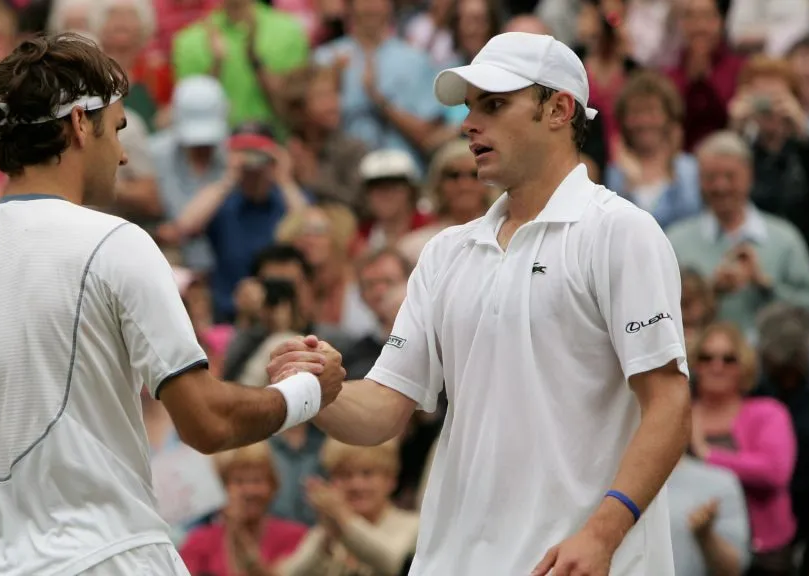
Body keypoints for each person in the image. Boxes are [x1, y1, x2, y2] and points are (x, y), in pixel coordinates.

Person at [0, 34, 345, 576]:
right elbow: (205, 422)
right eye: (120, 128)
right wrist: (305, 391)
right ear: (81, 125)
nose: (125, 154)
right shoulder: (117, 242)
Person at [268, 31, 692, 575]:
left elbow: (670, 407)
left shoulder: (621, 232)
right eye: (470, 108)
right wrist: (319, 391)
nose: (470, 123)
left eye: (494, 105)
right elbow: (381, 411)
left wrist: (601, 534)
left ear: (559, 110)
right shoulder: (446, 252)